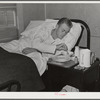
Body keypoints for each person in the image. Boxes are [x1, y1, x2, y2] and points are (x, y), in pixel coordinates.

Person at [0, 17, 81, 76]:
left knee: (31, 62)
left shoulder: (62, 43)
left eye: (66, 32)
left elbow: (53, 57)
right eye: (62, 30)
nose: (64, 34)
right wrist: (54, 47)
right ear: (56, 26)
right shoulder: (45, 30)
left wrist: (36, 51)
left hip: (34, 54)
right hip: (24, 43)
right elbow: (35, 44)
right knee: (4, 47)